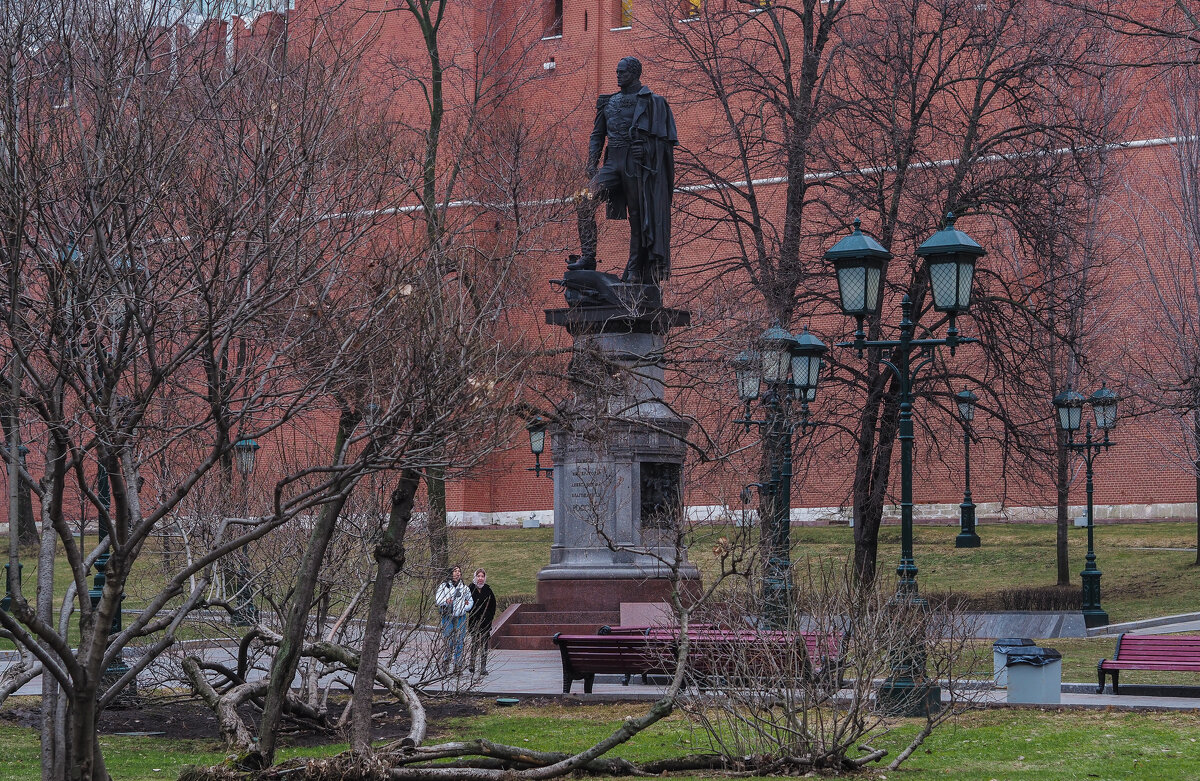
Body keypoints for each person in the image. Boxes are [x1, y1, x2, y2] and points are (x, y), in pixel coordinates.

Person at [570, 56, 677, 285]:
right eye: (617, 72)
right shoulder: (609, 102)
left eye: (622, 72)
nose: (617, 76)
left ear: (635, 74)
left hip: (634, 165)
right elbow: (597, 134)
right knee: (583, 200)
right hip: (612, 162)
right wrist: (592, 162)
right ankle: (588, 256)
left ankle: (635, 267)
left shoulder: (651, 102)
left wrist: (646, 150)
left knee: (638, 218)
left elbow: (665, 143)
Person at [435, 565, 472, 670]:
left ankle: (458, 664)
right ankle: (446, 661)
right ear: (450, 573)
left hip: (460, 616)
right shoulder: (444, 586)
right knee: (449, 640)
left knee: (460, 640)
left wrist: (466, 607)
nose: (457, 573)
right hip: (448, 616)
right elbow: (438, 600)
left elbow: (470, 601)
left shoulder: (464, 588)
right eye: (455, 571)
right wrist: (446, 601)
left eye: (459, 571)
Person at [467, 568, 497, 675]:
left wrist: (489, 617)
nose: (480, 578)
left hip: (485, 621)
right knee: (475, 642)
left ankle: (483, 667)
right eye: (478, 576)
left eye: (482, 576)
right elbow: (467, 604)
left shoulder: (488, 590)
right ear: (475, 577)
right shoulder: (470, 588)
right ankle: (472, 664)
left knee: (484, 643)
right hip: (474, 620)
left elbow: (493, 605)